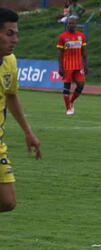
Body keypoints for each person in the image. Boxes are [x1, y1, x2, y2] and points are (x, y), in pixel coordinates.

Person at [0, 8, 42, 212]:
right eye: (9, 34)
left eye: (16, 34)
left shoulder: (10, 62)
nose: (15, 39)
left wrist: (28, 132)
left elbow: (11, 95)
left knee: (8, 202)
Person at [57, 16, 87, 115]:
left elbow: (84, 51)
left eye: (73, 23)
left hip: (78, 65)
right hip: (67, 65)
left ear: (76, 24)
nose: (71, 25)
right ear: (67, 24)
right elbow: (60, 53)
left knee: (81, 85)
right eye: (69, 23)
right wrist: (60, 67)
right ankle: (68, 109)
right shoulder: (62, 36)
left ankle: (71, 101)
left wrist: (85, 63)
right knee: (67, 86)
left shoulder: (81, 36)